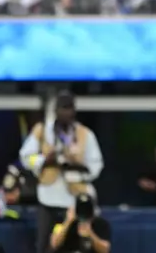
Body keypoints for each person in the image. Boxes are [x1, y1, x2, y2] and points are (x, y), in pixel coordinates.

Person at [19, 91, 104, 253]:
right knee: (44, 245)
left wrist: (76, 165)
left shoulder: (85, 134)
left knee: (73, 244)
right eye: (62, 109)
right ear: (56, 111)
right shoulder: (42, 130)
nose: (66, 113)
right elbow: (25, 157)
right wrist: (44, 160)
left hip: (73, 199)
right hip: (47, 198)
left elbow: (96, 165)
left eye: (69, 109)